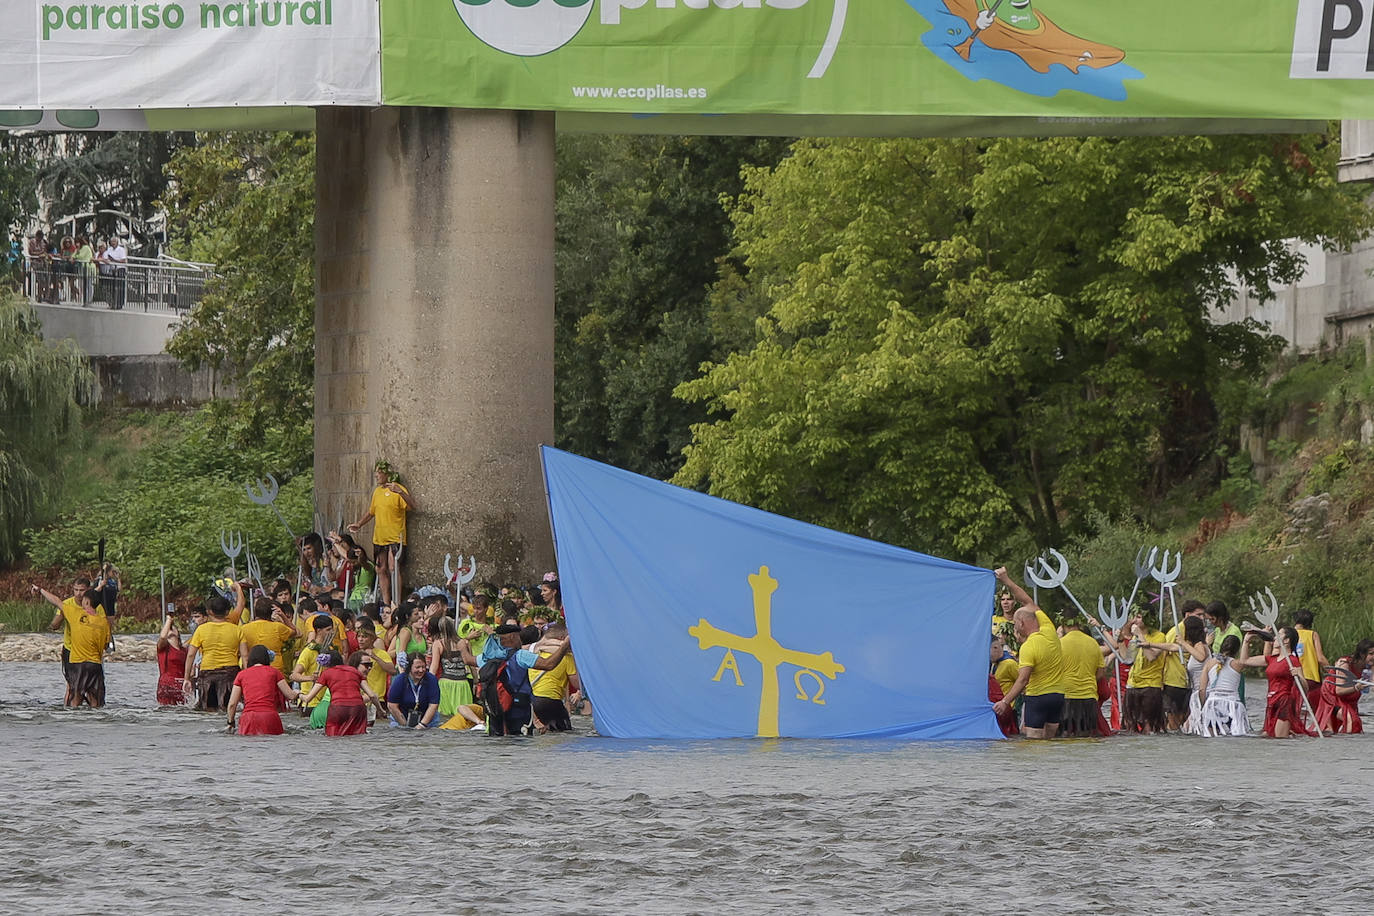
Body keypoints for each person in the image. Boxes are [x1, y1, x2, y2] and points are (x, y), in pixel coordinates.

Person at [989, 567, 1063, 739]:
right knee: (1051, 741)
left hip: (1038, 698)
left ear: (1021, 623)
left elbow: (1023, 679)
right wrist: (1006, 579)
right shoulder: (1049, 630)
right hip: (1058, 696)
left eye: (1015, 623)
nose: (1014, 626)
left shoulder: (1028, 647)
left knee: (1034, 743)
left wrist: (1005, 702)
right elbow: (1027, 602)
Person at [477, 622, 573, 736]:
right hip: (519, 712)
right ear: (513, 637)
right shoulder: (520, 655)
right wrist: (564, 646)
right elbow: (548, 664)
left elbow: (468, 659)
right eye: (519, 637)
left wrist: (463, 646)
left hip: (495, 711)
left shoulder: (486, 658)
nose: (520, 641)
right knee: (521, 747)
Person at [348, 459, 417, 607]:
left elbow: (412, 505)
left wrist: (400, 493)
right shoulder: (377, 492)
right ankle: (386, 603)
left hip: (395, 536)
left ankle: (396, 602)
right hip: (379, 537)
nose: (377, 475)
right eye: (376, 472)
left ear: (387, 474)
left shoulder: (398, 489)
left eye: (379, 472)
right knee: (381, 568)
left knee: (394, 568)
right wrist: (359, 524)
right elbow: (371, 512)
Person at [1239, 627, 1313, 739]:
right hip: (1271, 702)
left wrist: (1298, 675)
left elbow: (1305, 688)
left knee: (1279, 739)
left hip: (1284, 702)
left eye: (1279, 634)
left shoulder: (1292, 660)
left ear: (1286, 640)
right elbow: (1244, 661)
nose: (1274, 637)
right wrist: (1246, 641)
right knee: (1268, 737)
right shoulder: (1272, 659)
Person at [183, 595, 246, 712]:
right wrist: (246, 676)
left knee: (209, 710)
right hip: (231, 673)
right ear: (227, 612)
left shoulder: (201, 630)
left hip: (208, 674)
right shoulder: (237, 630)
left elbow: (191, 655)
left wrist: (186, 678)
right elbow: (245, 656)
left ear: (210, 612)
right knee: (229, 709)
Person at [37, 576, 92, 706]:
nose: (78, 593)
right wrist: (61, 615)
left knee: (90, 686)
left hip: (89, 651)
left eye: (82, 590)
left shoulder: (95, 605)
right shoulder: (67, 604)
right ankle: (68, 710)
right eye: (76, 590)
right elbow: (54, 626)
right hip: (71, 649)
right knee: (71, 685)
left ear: (88, 590)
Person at [301, 651, 384, 736]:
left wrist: (299, 694)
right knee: (358, 736)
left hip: (338, 708)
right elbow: (372, 695)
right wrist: (381, 710)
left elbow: (308, 698)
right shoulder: (355, 672)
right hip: (358, 708)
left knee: (334, 737)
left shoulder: (326, 673)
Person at [227, 646, 300, 735]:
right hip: (270, 717)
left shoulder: (241, 675)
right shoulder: (275, 672)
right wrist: (299, 693)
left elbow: (232, 704)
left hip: (249, 718)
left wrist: (231, 722)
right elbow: (290, 695)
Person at [1057, 616, 1105, 738]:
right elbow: (1100, 673)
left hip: (1067, 696)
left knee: (1066, 734)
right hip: (1089, 697)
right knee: (1086, 735)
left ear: (1063, 625)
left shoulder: (1059, 643)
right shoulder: (1093, 643)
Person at [63, 588, 111, 708]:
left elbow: (56, 601)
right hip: (95, 665)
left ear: (87, 602)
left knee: (76, 698)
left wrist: (41, 590)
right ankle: (95, 724)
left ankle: (72, 720)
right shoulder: (103, 622)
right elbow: (107, 646)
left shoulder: (77, 614)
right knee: (95, 701)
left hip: (79, 664)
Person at [528, 623, 580, 733]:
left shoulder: (533, 652)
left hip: (534, 701)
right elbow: (576, 684)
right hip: (551, 700)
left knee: (546, 735)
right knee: (565, 734)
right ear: (562, 639)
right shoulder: (566, 656)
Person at [1315, 639, 1374, 734]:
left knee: (1356, 724)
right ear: (1362, 654)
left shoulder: (1370, 665)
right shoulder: (1345, 663)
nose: (1373, 657)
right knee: (1352, 721)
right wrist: (1356, 688)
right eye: (1371, 654)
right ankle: (1346, 745)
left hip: (1350, 697)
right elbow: (1338, 690)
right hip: (1332, 696)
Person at [1121, 616, 1167, 734]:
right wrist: (1120, 640)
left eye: (1139, 617)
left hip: (1150, 685)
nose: (1135, 620)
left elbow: (1151, 657)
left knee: (1149, 725)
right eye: (1134, 617)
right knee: (1130, 725)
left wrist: (1140, 636)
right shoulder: (1134, 638)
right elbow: (1127, 659)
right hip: (1133, 684)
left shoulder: (1159, 636)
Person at [1197, 635, 1249, 737]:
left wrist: (1203, 707)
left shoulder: (1209, 664)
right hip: (1233, 706)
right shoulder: (1238, 664)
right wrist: (1247, 640)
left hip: (1212, 704)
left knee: (1211, 739)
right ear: (1237, 650)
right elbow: (1245, 659)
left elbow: (1202, 690)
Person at [428, 616, 477, 718]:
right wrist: (476, 682)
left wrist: (428, 684)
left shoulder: (438, 644)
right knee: (463, 717)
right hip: (463, 684)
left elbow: (434, 667)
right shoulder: (465, 642)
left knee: (445, 718)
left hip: (445, 684)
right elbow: (471, 665)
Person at [239, 597, 298, 675]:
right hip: (274, 669)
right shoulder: (278, 627)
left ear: (255, 612)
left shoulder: (244, 629)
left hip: (252, 669)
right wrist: (282, 615)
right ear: (271, 612)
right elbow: (294, 631)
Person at [386, 652, 441, 729]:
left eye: (423, 667)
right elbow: (392, 705)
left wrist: (422, 725)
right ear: (409, 667)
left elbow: (433, 705)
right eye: (417, 667)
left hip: (428, 721)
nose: (421, 670)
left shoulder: (431, 680)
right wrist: (405, 726)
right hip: (401, 720)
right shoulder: (400, 680)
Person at [1293, 609, 1329, 713]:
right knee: (1319, 712)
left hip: (1293, 678)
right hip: (1311, 678)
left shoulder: (1287, 634)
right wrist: (1333, 673)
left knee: (1294, 712)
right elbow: (1320, 658)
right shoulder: (1312, 634)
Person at [988, 635, 1018, 736]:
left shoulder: (1010, 664)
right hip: (998, 710)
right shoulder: (995, 664)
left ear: (996, 648)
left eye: (988, 650)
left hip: (1010, 710)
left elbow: (1023, 682)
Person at [156, 614, 189, 705]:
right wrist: (169, 619)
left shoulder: (184, 650)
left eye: (172, 628)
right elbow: (162, 637)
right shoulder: (163, 648)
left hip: (181, 686)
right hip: (166, 686)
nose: (169, 630)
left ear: (178, 633)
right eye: (168, 629)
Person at [105, 235, 127, 309]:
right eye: (112, 242)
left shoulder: (121, 250)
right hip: (112, 270)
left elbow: (123, 260)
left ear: (117, 242)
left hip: (120, 269)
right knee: (112, 287)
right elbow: (106, 257)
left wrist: (114, 260)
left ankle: (119, 304)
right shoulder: (109, 249)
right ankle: (113, 303)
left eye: (114, 241)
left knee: (120, 287)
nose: (113, 243)